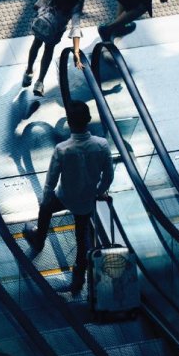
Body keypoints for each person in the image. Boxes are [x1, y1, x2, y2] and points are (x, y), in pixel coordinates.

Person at [23, 100, 113, 293]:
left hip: (64, 196)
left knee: (45, 209)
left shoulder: (63, 149)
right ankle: (77, 283)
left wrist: (47, 197)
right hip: (86, 201)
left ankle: (39, 239)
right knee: (82, 240)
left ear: (70, 124)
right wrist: (98, 191)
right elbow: (109, 176)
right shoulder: (102, 145)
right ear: (88, 120)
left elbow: (51, 179)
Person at [22, 0, 91, 97]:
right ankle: (40, 82)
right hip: (55, 31)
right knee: (48, 51)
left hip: (42, 25)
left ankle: (29, 72)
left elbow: (38, 4)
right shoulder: (77, 1)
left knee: (36, 45)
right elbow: (76, 24)